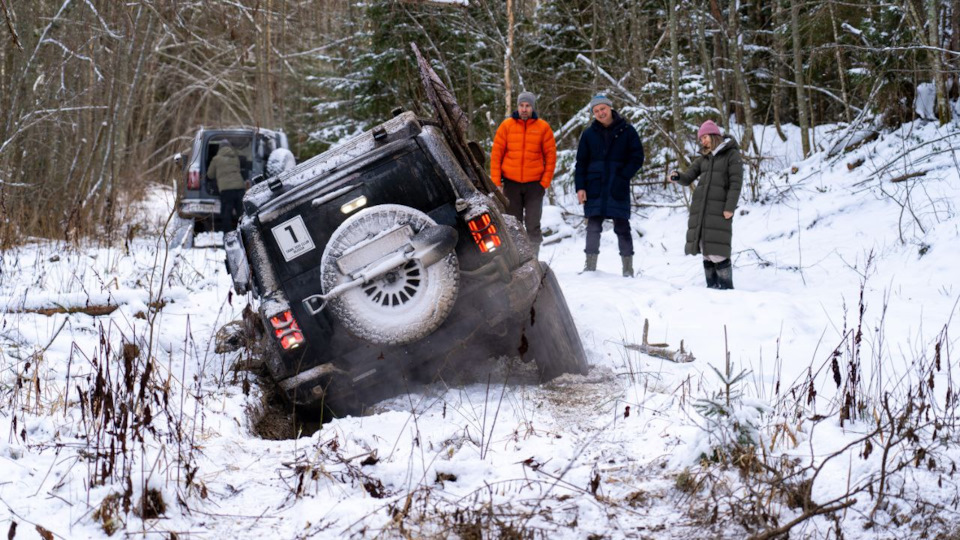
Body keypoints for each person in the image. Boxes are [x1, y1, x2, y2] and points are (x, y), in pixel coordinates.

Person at [574, 94, 644, 277]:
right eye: (596, 111)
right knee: (593, 227)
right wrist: (580, 187)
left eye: (602, 109)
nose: (600, 113)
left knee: (622, 228)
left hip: (617, 186)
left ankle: (628, 270)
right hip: (594, 187)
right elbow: (580, 162)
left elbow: (637, 157)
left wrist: (623, 176)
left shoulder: (627, 131)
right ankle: (590, 267)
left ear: (610, 108)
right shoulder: (588, 134)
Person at [669, 120, 743, 289]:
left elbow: (735, 183)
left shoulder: (731, 155)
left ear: (714, 135)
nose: (702, 141)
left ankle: (726, 289)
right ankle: (711, 290)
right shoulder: (704, 158)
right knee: (707, 252)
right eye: (700, 139)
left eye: (705, 137)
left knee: (718, 252)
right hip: (702, 210)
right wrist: (677, 176)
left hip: (719, 209)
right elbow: (688, 177)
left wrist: (730, 207)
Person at [490, 91, 557, 256]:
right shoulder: (506, 126)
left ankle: (534, 256)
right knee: (513, 224)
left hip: (535, 185)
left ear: (532, 107)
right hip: (511, 184)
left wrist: (544, 183)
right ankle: (518, 257)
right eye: (521, 105)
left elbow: (551, 157)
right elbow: (496, 155)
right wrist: (496, 182)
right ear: (517, 107)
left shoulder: (543, 127)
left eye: (527, 106)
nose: (524, 109)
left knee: (533, 224)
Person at [207, 139, 246, 231]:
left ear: (220, 148)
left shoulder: (216, 159)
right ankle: (245, 233)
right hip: (240, 188)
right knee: (241, 213)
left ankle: (228, 235)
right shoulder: (235, 157)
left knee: (226, 214)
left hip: (226, 190)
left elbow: (210, 174)